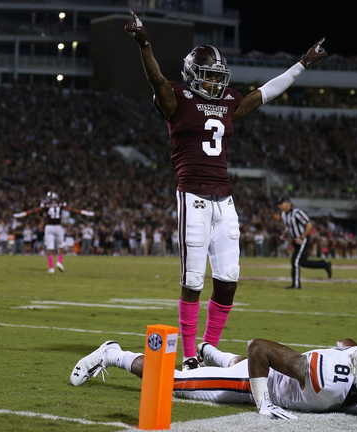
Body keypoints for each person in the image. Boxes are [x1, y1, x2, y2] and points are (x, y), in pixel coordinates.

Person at [125, 9, 328, 369]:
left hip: (225, 200)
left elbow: (264, 93)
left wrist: (301, 64)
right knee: (192, 280)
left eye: (218, 77)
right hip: (194, 197)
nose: (214, 83)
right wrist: (145, 44)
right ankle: (189, 356)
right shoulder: (177, 99)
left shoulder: (228, 103)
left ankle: (208, 348)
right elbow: (157, 79)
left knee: (229, 280)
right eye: (207, 76)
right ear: (191, 76)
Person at [70, 333, 357, 419]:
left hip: (286, 373)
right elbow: (259, 350)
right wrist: (262, 403)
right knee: (174, 384)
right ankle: (113, 353)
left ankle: (207, 351)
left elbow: (346, 343)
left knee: (228, 362)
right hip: (253, 384)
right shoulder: (328, 379)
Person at [13, 191, 94, 273]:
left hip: (49, 227)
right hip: (58, 227)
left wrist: (23, 214)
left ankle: (51, 268)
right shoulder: (60, 203)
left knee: (50, 248)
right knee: (60, 246)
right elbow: (71, 209)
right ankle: (59, 262)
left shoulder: (46, 204)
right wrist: (84, 212)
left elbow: (35, 210)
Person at [276, 196, 332, 289]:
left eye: (281, 204)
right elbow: (289, 226)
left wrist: (302, 237)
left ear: (288, 203)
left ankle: (296, 285)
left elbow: (309, 225)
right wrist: (285, 234)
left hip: (303, 240)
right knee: (303, 262)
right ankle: (324, 265)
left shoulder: (297, 213)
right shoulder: (283, 215)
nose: (280, 206)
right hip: (296, 240)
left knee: (295, 262)